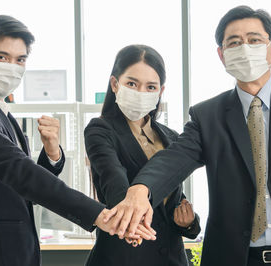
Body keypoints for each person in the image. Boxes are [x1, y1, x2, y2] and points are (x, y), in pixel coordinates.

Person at [106, 6, 271, 266]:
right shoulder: (208, 115)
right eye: (234, 43)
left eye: (254, 40)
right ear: (221, 54)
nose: (245, 48)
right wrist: (141, 189)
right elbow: (174, 159)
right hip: (235, 257)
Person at [0, 15, 153, 266]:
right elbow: (20, 172)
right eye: (2, 57)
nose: (12, 67)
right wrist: (100, 214)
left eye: (20, 59)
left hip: (12, 253)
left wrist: (52, 153)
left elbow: (20, 185)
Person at [84, 44, 201, 266]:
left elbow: (174, 199)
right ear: (115, 84)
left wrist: (188, 223)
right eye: (131, 84)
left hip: (171, 258)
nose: (140, 93)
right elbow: (113, 181)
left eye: (150, 87)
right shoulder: (100, 130)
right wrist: (130, 205)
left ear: (160, 92)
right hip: (124, 257)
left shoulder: (172, 137)